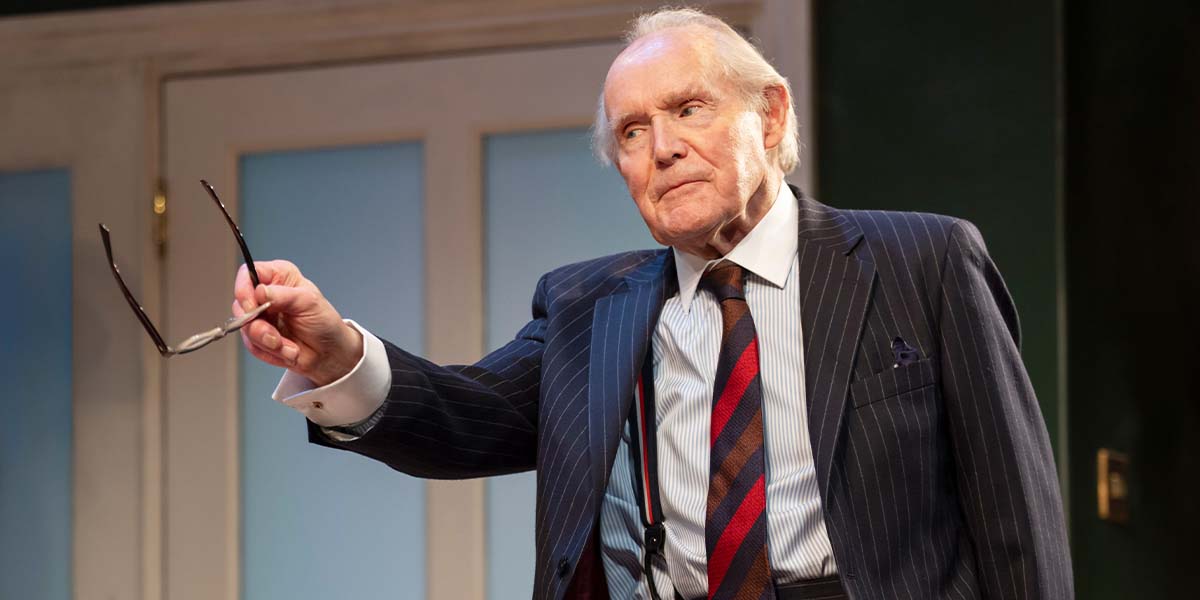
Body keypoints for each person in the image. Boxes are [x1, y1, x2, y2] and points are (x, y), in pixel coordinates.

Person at [232, 8, 1072, 600]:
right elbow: (469, 417)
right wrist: (337, 351)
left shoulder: (921, 259)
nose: (662, 148)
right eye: (632, 131)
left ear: (771, 117)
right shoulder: (587, 306)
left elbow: (1014, 516)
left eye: (688, 109)